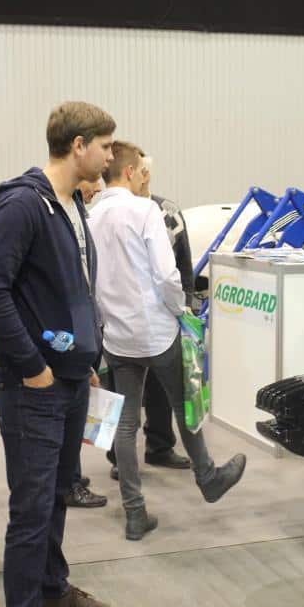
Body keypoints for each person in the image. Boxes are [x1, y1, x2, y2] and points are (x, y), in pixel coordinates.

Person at [0, 101, 115, 607]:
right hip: (32, 384)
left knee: (58, 492)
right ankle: (24, 605)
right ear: (78, 145)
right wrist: (33, 367)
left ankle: (53, 587)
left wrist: (85, 358)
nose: (110, 157)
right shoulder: (23, 204)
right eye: (105, 147)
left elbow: (70, 289)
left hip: (72, 377)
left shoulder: (72, 204)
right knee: (31, 507)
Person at [89, 141, 246, 541]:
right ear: (129, 172)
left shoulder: (92, 215)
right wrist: (181, 311)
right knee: (185, 403)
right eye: (142, 171)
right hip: (157, 331)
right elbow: (166, 274)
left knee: (125, 424)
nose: (146, 177)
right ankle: (208, 478)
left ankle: (134, 512)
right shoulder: (145, 211)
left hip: (117, 336)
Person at [104, 154, 192, 481]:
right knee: (116, 396)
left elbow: (181, 264)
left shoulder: (166, 211)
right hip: (118, 321)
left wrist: (185, 306)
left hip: (159, 320)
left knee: (160, 390)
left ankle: (160, 446)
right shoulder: (106, 213)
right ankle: (118, 457)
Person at [63, 178, 108, 509]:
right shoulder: (62, 214)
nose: (98, 189)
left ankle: (72, 474)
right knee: (72, 409)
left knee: (82, 404)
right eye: (94, 181)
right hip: (74, 331)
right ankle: (71, 482)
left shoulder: (81, 213)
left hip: (89, 324)